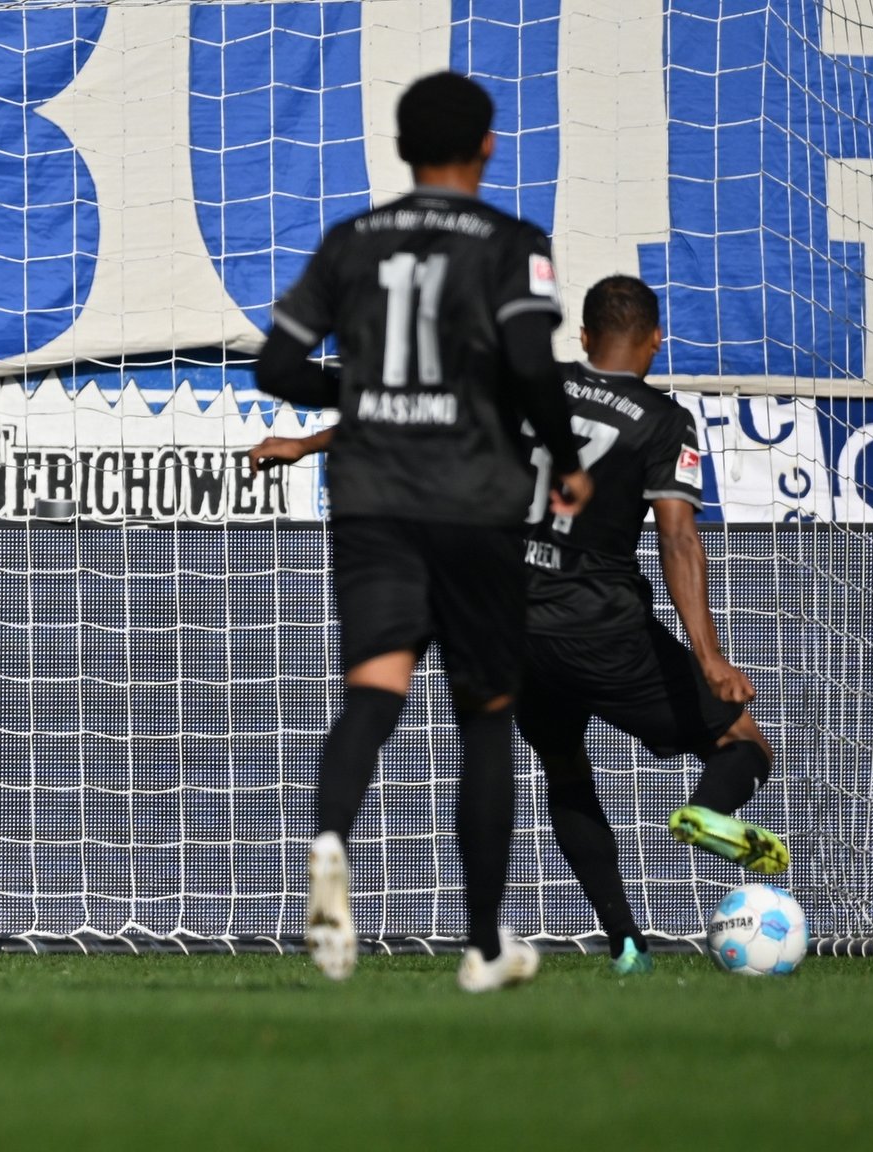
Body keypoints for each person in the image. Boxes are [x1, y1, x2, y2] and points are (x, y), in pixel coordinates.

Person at [254, 274, 789, 976]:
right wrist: (710, 656)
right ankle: (709, 810)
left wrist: (305, 444)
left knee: (566, 766)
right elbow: (678, 537)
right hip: (602, 630)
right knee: (740, 738)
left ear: (586, 338)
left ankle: (627, 944)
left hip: (511, 628)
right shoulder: (662, 419)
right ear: (655, 342)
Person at [251, 71, 592, 993]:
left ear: (402, 149)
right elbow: (530, 362)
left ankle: (329, 841)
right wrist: (566, 457)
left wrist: (353, 395)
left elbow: (277, 366)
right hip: (473, 499)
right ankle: (482, 945)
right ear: (488, 146)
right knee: (485, 716)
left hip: (370, 499)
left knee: (374, 691)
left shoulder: (351, 241)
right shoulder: (513, 243)